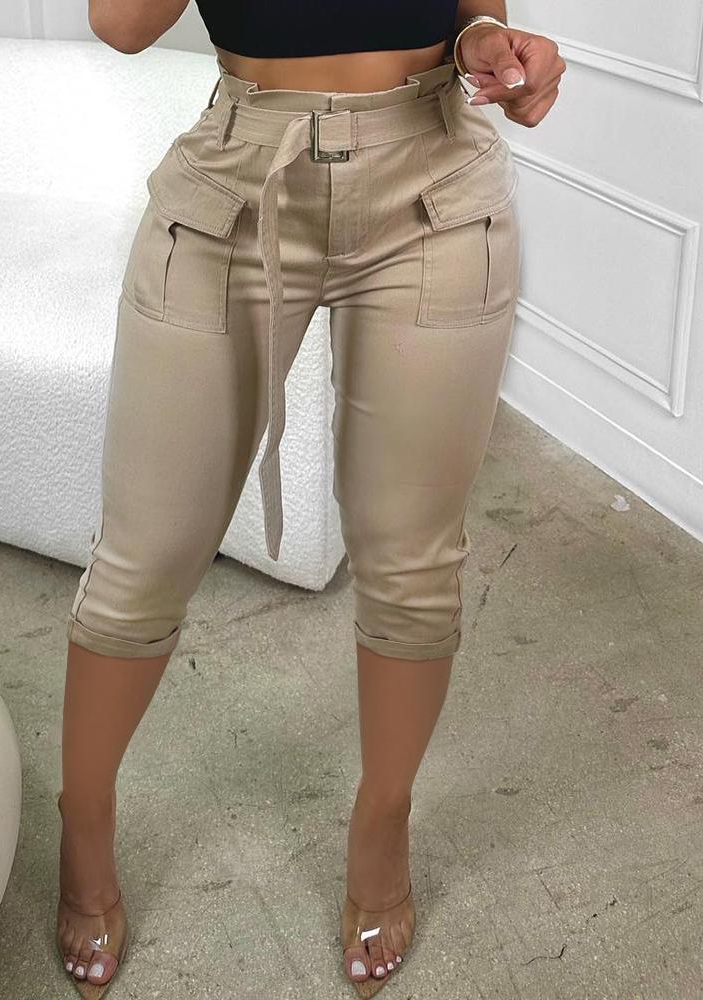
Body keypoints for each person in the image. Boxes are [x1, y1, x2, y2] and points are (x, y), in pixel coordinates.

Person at [55, 1, 566, 996]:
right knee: (144, 558)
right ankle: (85, 821)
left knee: (412, 563)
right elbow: (120, 23)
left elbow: (475, 8)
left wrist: (488, 47)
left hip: (432, 179)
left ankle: (383, 818)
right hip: (239, 180)